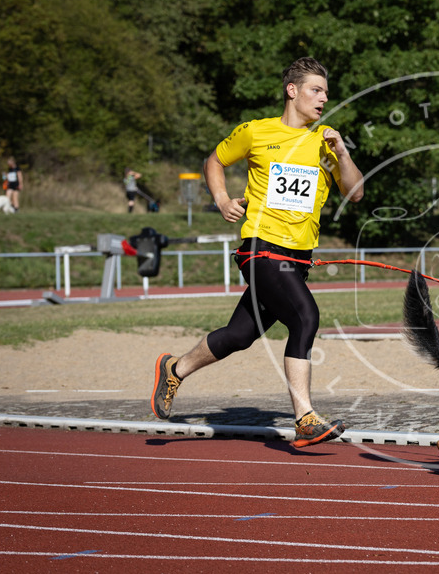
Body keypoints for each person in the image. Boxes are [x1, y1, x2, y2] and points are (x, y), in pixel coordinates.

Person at [152, 57, 364, 448]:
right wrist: (220, 199)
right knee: (305, 317)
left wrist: (343, 154)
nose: (324, 99)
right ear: (292, 90)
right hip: (261, 247)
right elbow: (214, 160)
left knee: (240, 334)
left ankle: (174, 368)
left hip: (298, 258)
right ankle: (304, 418)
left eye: (326, 93)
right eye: (316, 90)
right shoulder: (256, 132)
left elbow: (355, 193)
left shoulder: (325, 142)